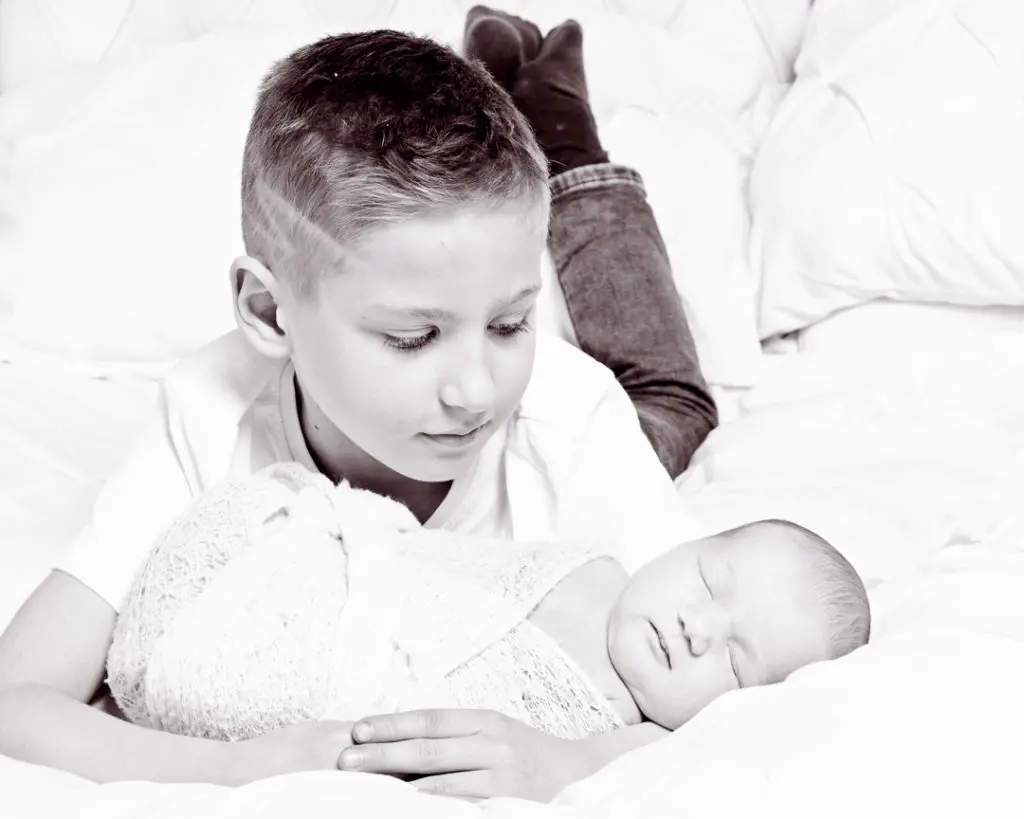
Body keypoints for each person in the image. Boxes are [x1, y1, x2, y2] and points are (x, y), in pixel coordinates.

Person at [0, 8, 724, 800]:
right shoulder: (209, 414)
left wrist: (574, 761)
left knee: (669, 402)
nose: (475, 389)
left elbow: (735, 699)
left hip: (591, 410)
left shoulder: (563, 411)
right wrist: (236, 769)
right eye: (414, 337)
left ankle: (563, 131)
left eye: (512, 321)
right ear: (272, 314)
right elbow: (13, 699)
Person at [104, 462, 870, 753]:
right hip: (323, 558)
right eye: (708, 579)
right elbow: (436, 561)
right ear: (681, 546)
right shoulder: (594, 563)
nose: (697, 627)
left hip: (331, 669)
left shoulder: (631, 737)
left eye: (736, 659)